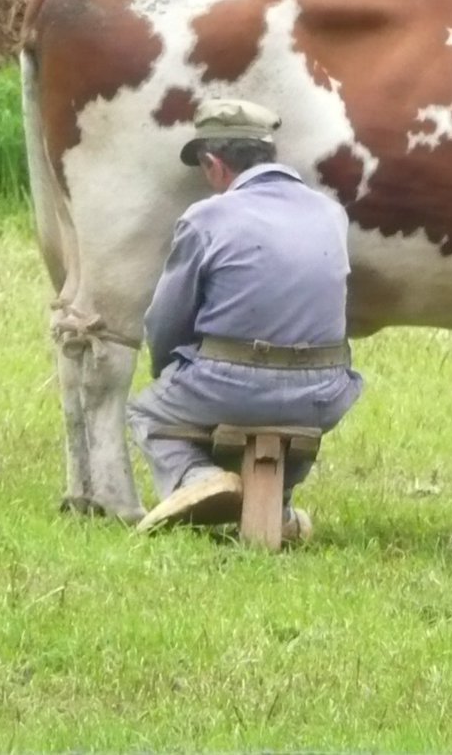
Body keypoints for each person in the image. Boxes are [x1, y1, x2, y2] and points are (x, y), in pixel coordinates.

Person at [128, 98, 363, 537]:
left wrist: (170, 373)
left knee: (149, 414)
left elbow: (165, 320)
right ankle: (279, 512)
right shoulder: (330, 213)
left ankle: (196, 480)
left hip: (230, 385)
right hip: (323, 393)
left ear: (214, 164)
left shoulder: (206, 217)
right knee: (283, 410)